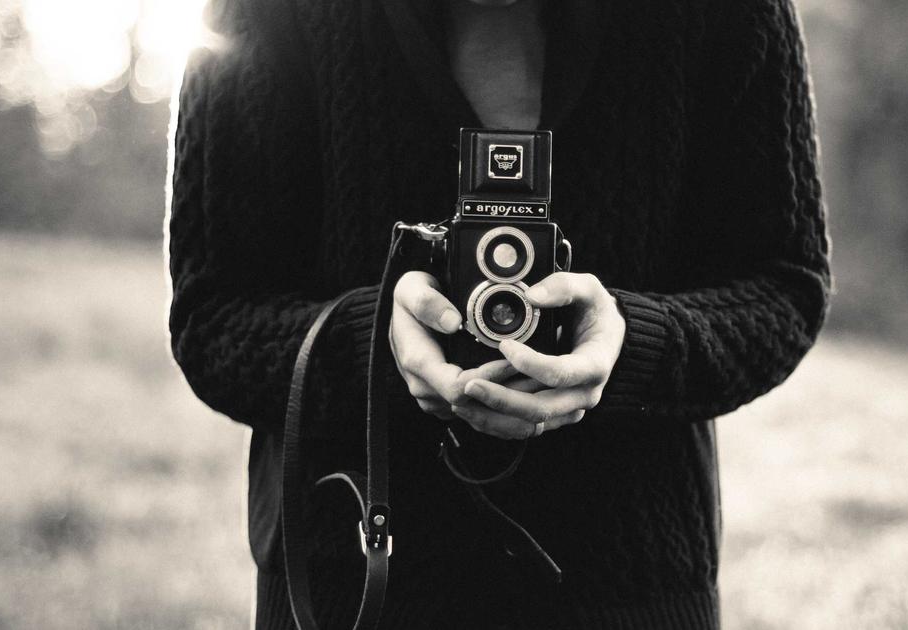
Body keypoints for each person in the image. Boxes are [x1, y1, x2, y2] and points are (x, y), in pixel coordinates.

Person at [167, 0, 830, 627]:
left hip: (630, 580)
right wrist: (372, 349)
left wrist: (632, 348)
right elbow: (213, 314)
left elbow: (784, 284)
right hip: (353, 580)